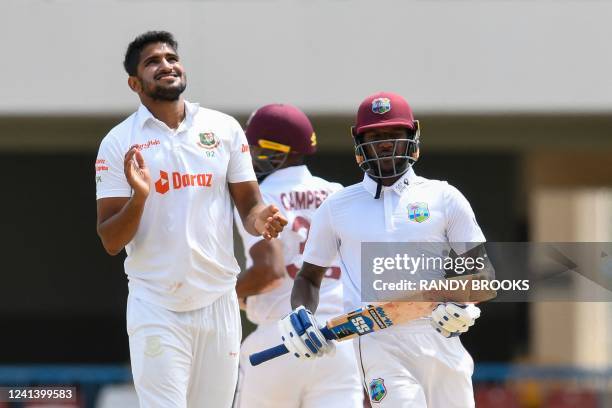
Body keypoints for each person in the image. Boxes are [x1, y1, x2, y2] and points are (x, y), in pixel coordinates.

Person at [94, 31, 286, 408]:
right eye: (152, 62)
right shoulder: (119, 142)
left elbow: (249, 205)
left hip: (219, 303)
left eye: (170, 58)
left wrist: (262, 219)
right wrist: (140, 197)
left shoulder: (224, 128)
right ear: (135, 83)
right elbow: (111, 240)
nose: (166, 65)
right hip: (156, 304)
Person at [277, 92, 495, 407]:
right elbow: (309, 277)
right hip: (379, 338)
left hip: (440, 333)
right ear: (358, 143)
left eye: (394, 135)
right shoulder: (337, 207)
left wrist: (466, 306)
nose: (384, 144)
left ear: (413, 137)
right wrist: (302, 315)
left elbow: (481, 276)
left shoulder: (444, 197)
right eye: (375, 136)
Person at [232, 104, 364, 408]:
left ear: (275, 151)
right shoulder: (337, 192)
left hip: (279, 339)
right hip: (340, 339)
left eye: (253, 148)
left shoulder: (259, 199)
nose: (249, 155)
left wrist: (225, 294)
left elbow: (270, 271)